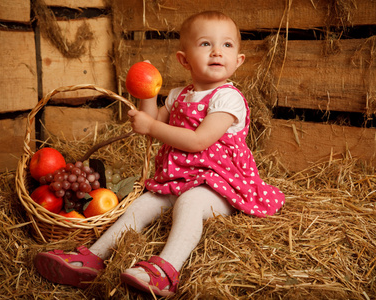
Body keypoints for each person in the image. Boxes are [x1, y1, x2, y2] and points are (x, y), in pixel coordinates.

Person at [34, 11, 285, 297]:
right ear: (184, 59)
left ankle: (166, 270)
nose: (217, 51)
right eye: (205, 44)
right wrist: (148, 92)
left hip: (220, 184)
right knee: (142, 205)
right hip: (179, 177)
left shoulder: (227, 98)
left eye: (227, 45)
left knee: (189, 203)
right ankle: (91, 258)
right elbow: (151, 119)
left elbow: (197, 141)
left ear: (238, 60)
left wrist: (151, 126)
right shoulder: (180, 95)